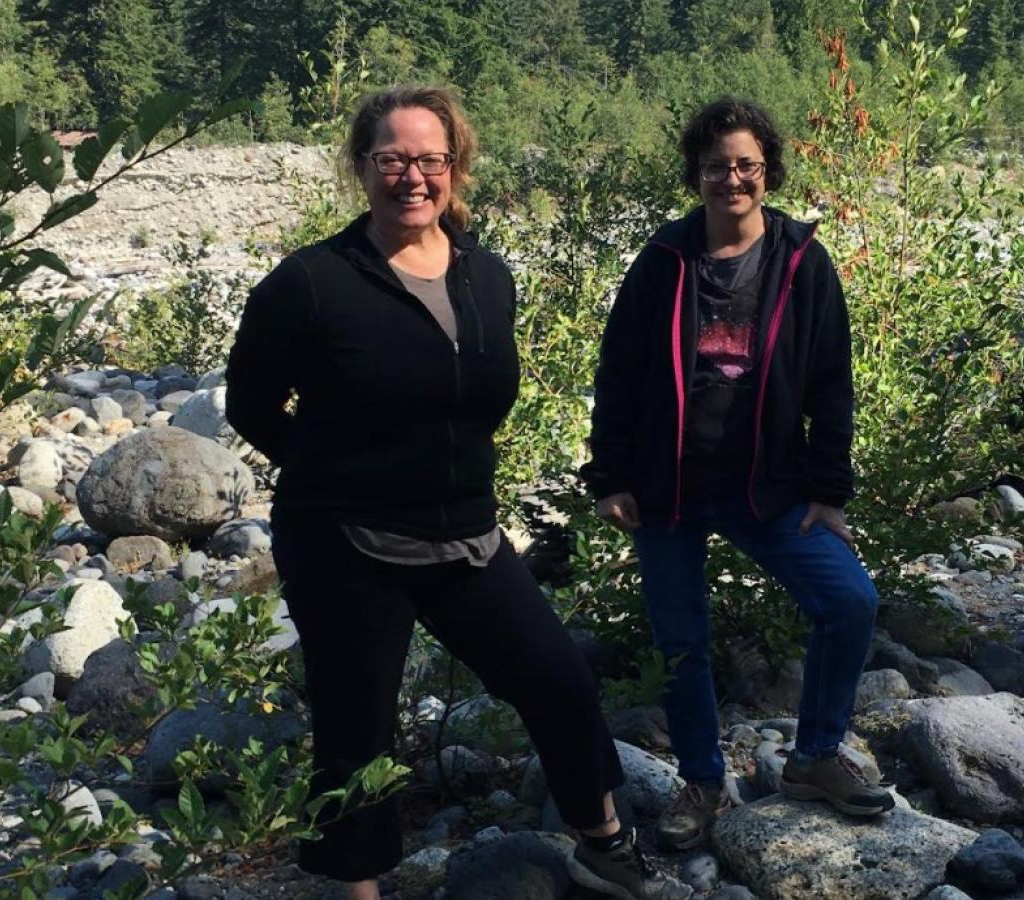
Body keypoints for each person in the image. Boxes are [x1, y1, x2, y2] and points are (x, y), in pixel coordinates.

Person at [226, 84, 687, 900]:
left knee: (560, 681)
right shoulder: (310, 283)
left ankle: (603, 841)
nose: (413, 176)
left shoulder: (487, 277)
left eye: (430, 159)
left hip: (466, 534)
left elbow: (471, 405)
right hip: (345, 541)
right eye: (392, 159)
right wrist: (333, 475)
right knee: (356, 729)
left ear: (456, 167)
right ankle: (359, 886)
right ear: (361, 167)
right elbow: (250, 406)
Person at [581, 97, 895, 851]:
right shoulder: (664, 261)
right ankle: (701, 779)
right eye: (718, 166)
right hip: (669, 488)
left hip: (768, 486)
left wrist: (829, 491)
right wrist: (611, 477)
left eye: (747, 165)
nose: (733, 179)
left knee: (850, 601)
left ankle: (815, 756)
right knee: (682, 640)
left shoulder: (800, 261)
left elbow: (831, 382)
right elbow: (618, 371)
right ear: (697, 173)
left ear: (769, 171)